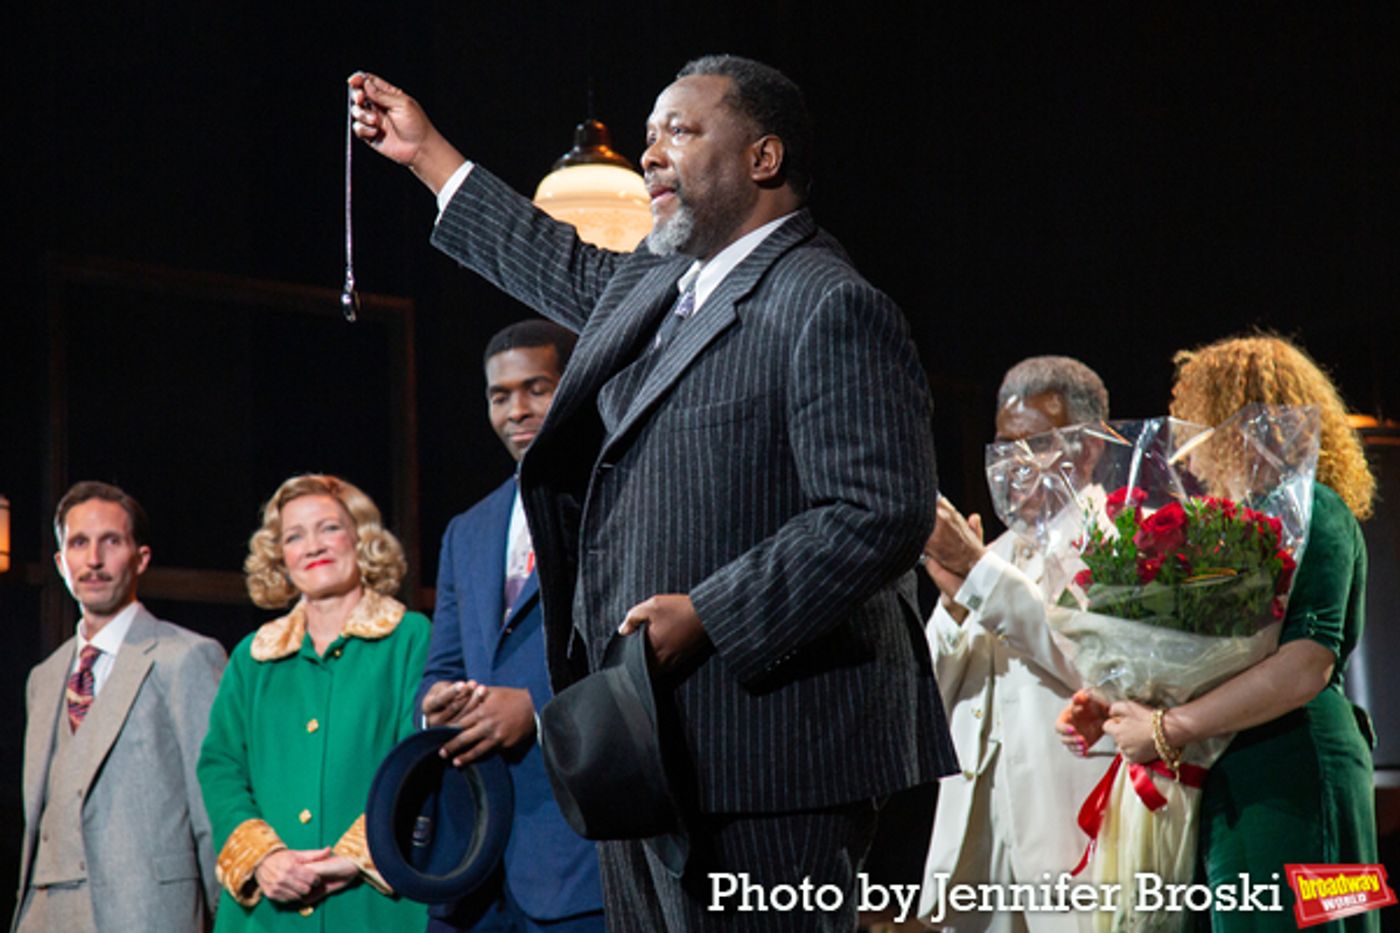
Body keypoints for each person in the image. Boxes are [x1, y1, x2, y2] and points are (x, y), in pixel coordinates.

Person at [350, 54, 953, 931]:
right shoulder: (660, 285)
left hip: (772, 754)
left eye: (681, 130)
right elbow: (551, 259)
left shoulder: (828, 301)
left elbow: (880, 509)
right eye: (647, 137)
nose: (651, 155)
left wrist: (709, 613)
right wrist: (428, 156)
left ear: (764, 157)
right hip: (647, 746)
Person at [1058, 335, 1380, 932]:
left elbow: (1305, 665)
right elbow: (1216, 663)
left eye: (1194, 411)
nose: (1182, 433)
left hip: (1301, 770)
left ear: (1234, 416)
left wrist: (1165, 728)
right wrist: (1117, 708)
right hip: (1237, 766)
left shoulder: (1322, 510)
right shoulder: (1234, 530)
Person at [419, 319, 604, 931]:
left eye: (536, 388)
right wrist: (437, 706)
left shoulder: (617, 503)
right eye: (500, 396)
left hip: (579, 855)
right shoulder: (468, 529)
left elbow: (642, 654)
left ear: (573, 388)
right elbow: (443, 667)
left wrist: (537, 708)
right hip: (473, 858)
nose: (516, 411)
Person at [918, 356, 1111, 933]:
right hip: (980, 843)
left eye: (1036, 445)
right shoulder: (995, 554)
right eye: (1005, 447)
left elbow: (1098, 665)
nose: (1016, 466)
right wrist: (954, 606)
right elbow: (931, 694)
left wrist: (977, 576)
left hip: (1066, 830)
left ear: (1089, 448)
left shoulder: (1119, 539)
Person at [197, 475, 430, 931]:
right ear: (279, 557)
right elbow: (220, 765)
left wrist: (354, 856)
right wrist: (264, 857)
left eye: (329, 528)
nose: (312, 546)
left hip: (375, 907)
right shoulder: (252, 656)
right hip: (266, 912)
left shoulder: (411, 638)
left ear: (361, 540)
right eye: (294, 536)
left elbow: (421, 762)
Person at [15, 481, 226, 933]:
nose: (94, 559)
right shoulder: (44, 677)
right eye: (79, 543)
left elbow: (213, 809)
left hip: (144, 913)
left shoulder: (185, 657)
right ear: (61, 563)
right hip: (44, 914)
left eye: (111, 541)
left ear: (140, 558)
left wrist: (227, 919)